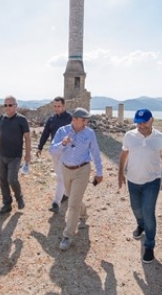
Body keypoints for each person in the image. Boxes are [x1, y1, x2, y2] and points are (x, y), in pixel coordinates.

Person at [49, 107, 104, 251]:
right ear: (75, 119)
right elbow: (52, 150)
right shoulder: (62, 131)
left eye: (86, 120)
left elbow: (95, 153)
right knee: (74, 198)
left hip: (82, 169)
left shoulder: (89, 133)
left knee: (72, 205)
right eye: (84, 120)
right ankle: (84, 213)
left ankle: (67, 236)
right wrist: (63, 143)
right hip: (66, 169)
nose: (86, 122)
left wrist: (99, 172)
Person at [118, 109, 162, 264]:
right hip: (133, 180)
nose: (141, 125)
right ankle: (140, 225)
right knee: (136, 209)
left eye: (144, 122)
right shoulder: (129, 136)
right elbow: (124, 154)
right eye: (138, 123)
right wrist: (120, 173)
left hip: (152, 181)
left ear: (151, 120)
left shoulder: (160, 138)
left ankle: (149, 245)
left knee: (148, 212)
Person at [0, 96, 32, 215]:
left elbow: (27, 137)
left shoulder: (22, 120)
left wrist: (28, 154)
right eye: (5, 105)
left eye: (10, 105)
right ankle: (7, 204)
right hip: (2, 154)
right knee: (3, 180)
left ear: (16, 106)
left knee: (12, 179)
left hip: (15, 156)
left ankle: (19, 198)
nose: (7, 108)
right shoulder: (2, 118)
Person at [36, 96, 73, 213]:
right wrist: (40, 147)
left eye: (59, 106)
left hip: (67, 152)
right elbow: (45, 133)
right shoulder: (51, 119)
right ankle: (67, 193)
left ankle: (56, 202)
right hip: (55, 151)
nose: (57, 108)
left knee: (61, 177)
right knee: (60, 175)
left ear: (64, 106)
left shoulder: (70, 118)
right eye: (55, 106)